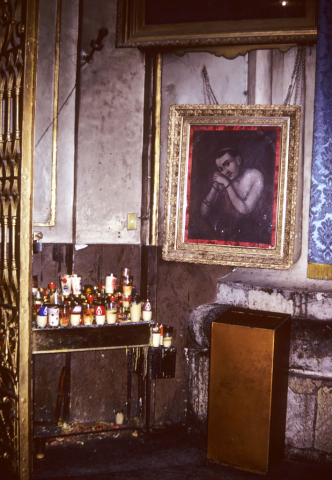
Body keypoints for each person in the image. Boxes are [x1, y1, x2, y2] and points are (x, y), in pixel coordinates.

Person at [200, 147, 269, 243]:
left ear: (238, 160)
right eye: (221, 169)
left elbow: (245, 210)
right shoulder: (223, 181)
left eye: (227, 164)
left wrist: (227, 184)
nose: (225, 171)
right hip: (226, 236)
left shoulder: (255, 176)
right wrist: (214, 187)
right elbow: (203, 213)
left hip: (253, 236)